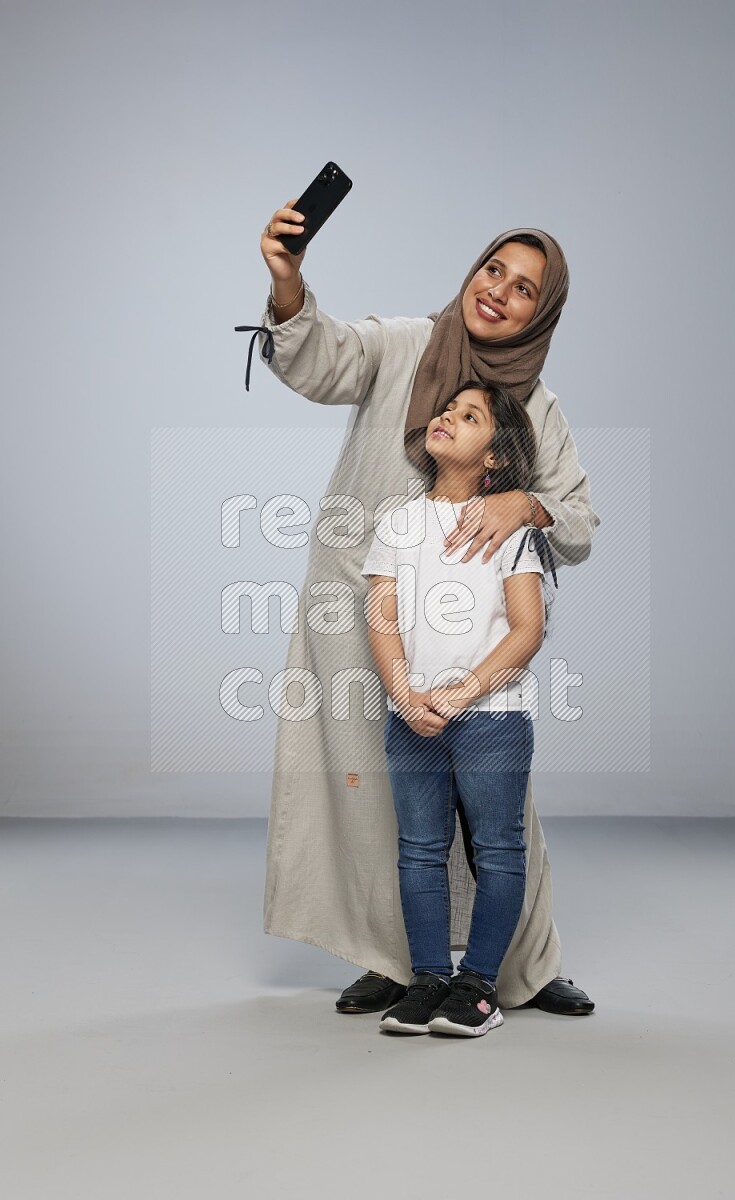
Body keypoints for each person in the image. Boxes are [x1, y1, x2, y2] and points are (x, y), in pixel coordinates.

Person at [241, 199, 600, 1015]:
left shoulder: (535, 410)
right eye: (493, 271)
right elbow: (322, 359)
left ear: (541, 313)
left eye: (523, 289)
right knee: (381, 788)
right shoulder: (404, 344)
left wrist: (529, 508)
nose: (499, 292)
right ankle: (397, 961)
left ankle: (514, 969)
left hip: (473, 638)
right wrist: (290, 282)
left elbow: (578, 523)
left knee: (494, 799)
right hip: (362, 604)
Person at [363, 379, 548, 1037]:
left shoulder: (508, 528)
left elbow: (526, 629)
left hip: (491, 718)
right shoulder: (397, 521)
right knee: (418, 850)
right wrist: (403, 697)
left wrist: (463, 691)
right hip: (410, 716)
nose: (448, 416)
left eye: (469, 416)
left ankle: (479, 987)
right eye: (449, 408)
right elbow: (381, 619)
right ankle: (428, 979)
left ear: (494, 455)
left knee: (497, 849)